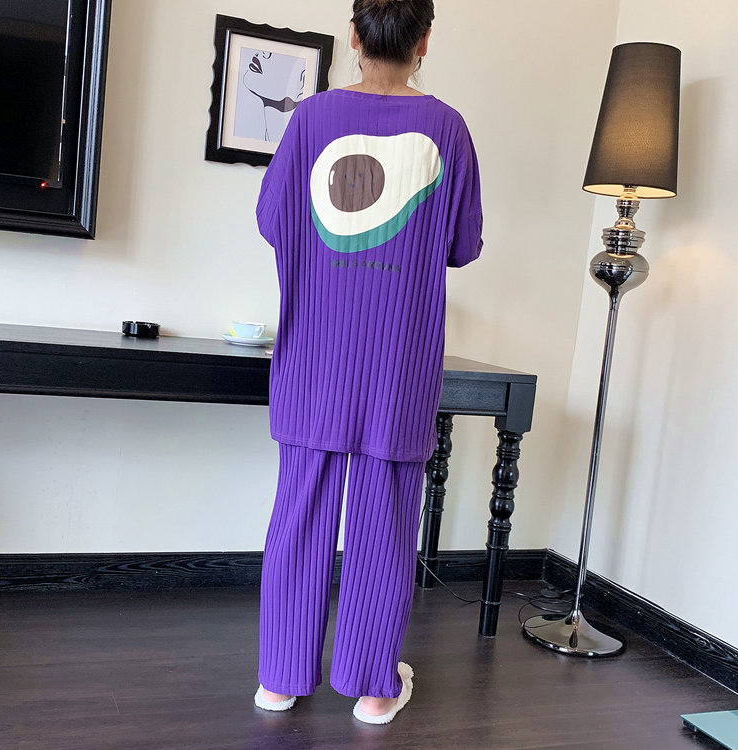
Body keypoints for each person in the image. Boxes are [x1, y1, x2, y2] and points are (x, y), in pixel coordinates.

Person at [253, 0, 483, 725]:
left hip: (316, 357)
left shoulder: (309, 119)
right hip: (397, 364)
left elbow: (272, 220)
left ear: (353, 35)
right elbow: (463, 245)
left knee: (299, 514)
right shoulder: (447, 128)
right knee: (385, 523)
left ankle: (281, 678)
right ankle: (373, 685)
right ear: (424, 41)